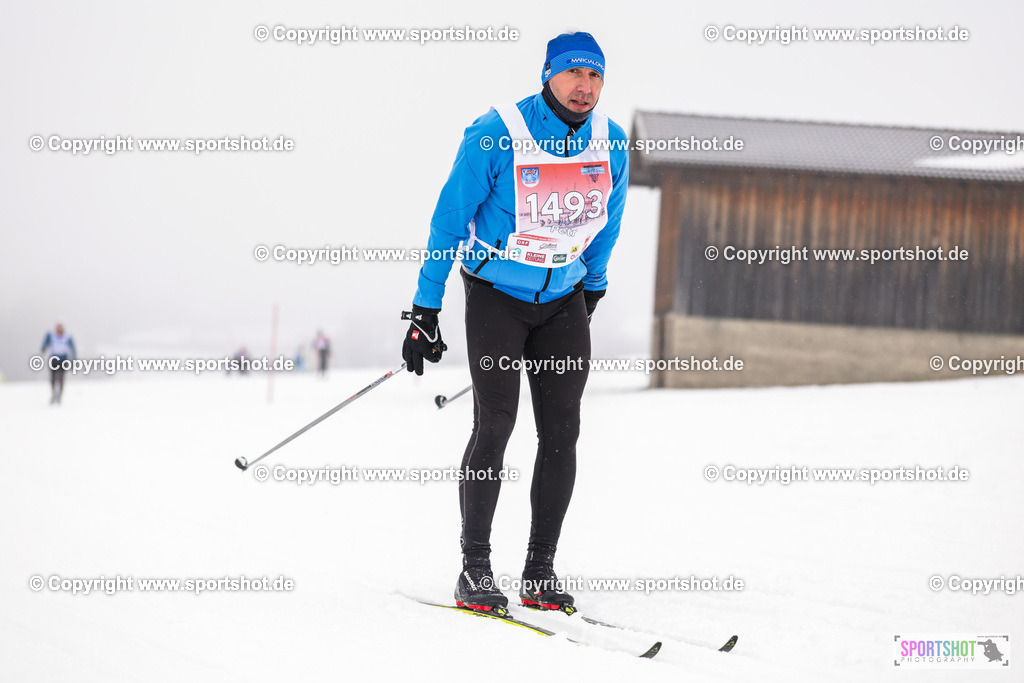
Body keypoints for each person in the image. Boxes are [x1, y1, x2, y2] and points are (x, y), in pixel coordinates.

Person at [401, 32, 629, 615]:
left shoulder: (610, 141)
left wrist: (594, 286)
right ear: (548, 74)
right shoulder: (496, 132)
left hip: (564, 299)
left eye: (595, 76)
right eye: (574, 73)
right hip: (496, 298)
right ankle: (475, 569)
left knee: (562, 432)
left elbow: (607, 221)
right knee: (496, 423)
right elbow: (448, 221)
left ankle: (539, 570)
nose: (585, 87)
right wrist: (426, 308)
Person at [40, 322, 76, 405]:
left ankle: (59, 395)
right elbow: (45, 343)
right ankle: (53, 393)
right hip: (53, 359)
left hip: (63, 359)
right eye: (58, 328)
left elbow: (73, 348)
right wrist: (43, 349)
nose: (59, 329)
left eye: (61, 328)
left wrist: (74, 358)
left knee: (62, 378)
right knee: (52, 378)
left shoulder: (68, 336)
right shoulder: (51, 335)